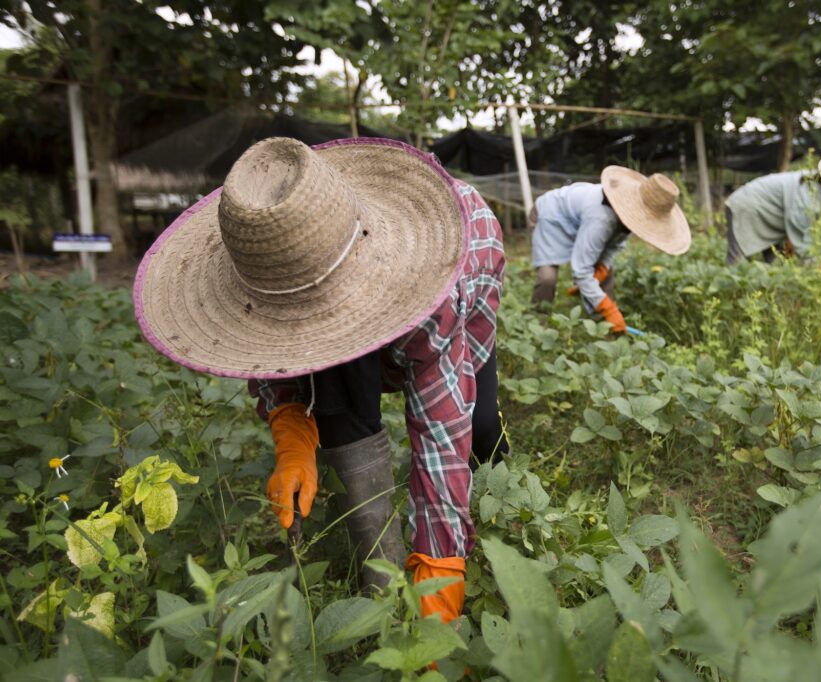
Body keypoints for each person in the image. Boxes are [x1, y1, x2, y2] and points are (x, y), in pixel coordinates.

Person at [134, 136, 507, 625]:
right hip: (349, 282)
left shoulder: (436, 281)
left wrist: (440, 572)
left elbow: (439, 436)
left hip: (461, 285)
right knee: (336, 400)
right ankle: (383, 588)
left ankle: (501, 494)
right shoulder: (273, 254)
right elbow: (267, 349)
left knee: (476, 426)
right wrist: (291, 429)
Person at [530, 167, 690, 331]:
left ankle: (602, 326)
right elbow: (581, 270)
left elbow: (613, 245)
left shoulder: (625, 215)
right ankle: (538, 322)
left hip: (581, 218)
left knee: (606, 272)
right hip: (550, 215)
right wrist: (608, 308)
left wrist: (601, 269)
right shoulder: (601, 218)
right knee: (547, 277)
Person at [724, 159, 821, 265]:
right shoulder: (808, 199)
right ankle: (729, 292)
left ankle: (764, 290)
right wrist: (819, 268)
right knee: (736, 260)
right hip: (746, 207)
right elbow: (802, 242)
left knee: (773, 263)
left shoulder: (817, 188)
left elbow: (800, 233)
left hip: (768, 213)